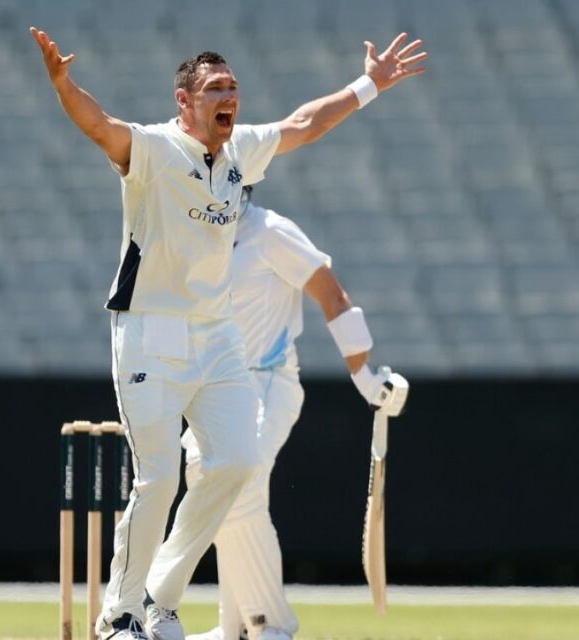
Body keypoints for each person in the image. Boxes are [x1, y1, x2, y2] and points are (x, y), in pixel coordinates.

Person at [29, 25, 426, 640]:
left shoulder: (241, 151)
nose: (229, 96)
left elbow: (304, 123)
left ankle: (159, 598)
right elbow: (100, 126)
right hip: (150, 330)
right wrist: (63, 84)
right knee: (160, 476)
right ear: (184, 101)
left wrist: (368, 84)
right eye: (216, 88)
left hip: (217, 338)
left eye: (234, 87)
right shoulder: (156, 149)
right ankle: (118, 617)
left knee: (238, 462)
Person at [181, 187, 409, 640]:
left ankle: (272, 625)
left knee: (239, 480)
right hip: (218, 389)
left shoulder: (271, 231)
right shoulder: (197, 236)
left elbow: (332, 295)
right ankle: (236, 627)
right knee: (208, 481)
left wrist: (365, 376)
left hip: (267, 382)